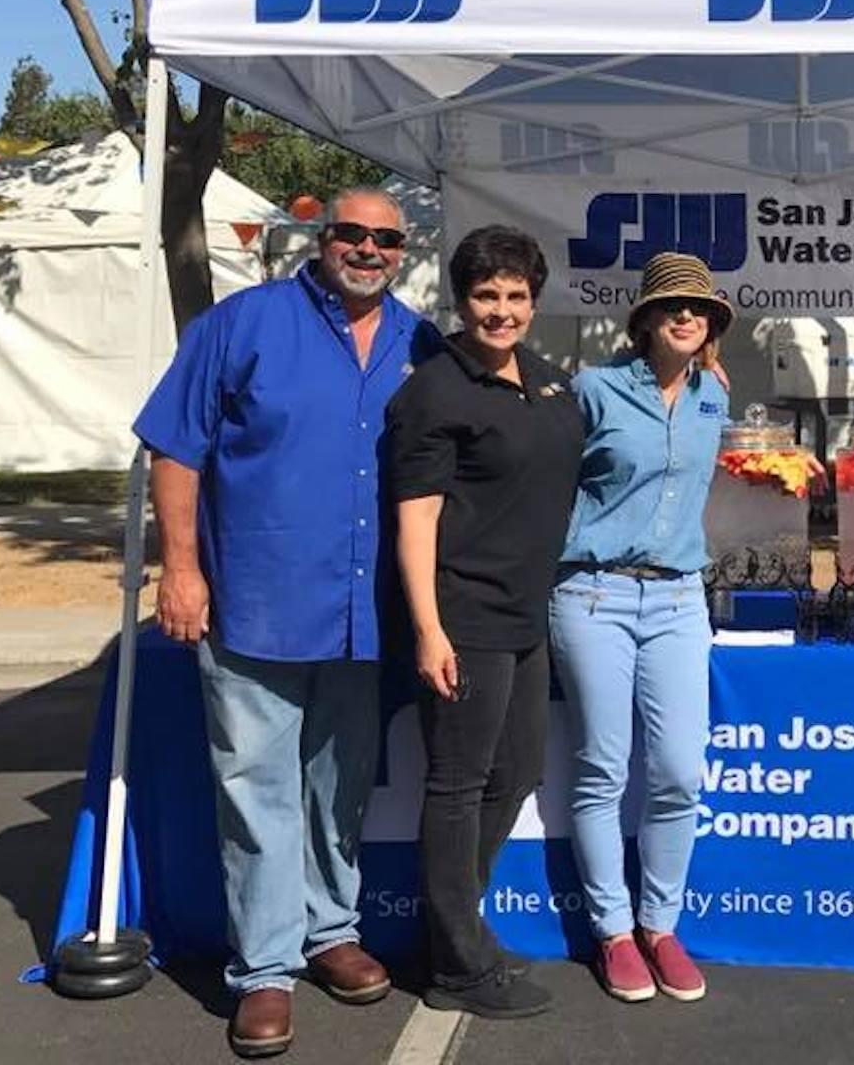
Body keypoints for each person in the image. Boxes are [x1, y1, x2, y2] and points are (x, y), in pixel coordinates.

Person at [136, 187, 438, 1059]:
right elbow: (175, 447)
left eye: (387, 238)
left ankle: (331, 931)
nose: (370, 249)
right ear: (323, 237)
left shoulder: (420, 340)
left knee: (338, 789)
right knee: (257, 793)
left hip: (361, 614)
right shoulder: (244, 323)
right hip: (256, 605)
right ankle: (265, 972)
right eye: (354, 233)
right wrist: (182, 569)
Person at [386, 226, 586, 1019]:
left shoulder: (547, 381)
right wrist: (429, 629)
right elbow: (416, 520)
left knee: (518, 774)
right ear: (461, 301)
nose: (501, 311)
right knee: (460, 785)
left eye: (515, 297)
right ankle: (458, 967)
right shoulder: (435, 391)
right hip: (463, 615)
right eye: (485, 296)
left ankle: (455, 927)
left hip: (526, 615)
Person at [551, 253, 744, 1005]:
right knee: (603, 767)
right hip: (593, 594)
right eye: (673, 308)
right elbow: (549, 478)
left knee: (678, 772)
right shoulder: (594, 389)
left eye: (699, 309)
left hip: (677, 601)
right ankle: (614, 931)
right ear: (645, 320)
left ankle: (661, 925)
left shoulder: (712, 399)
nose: (687, 317)